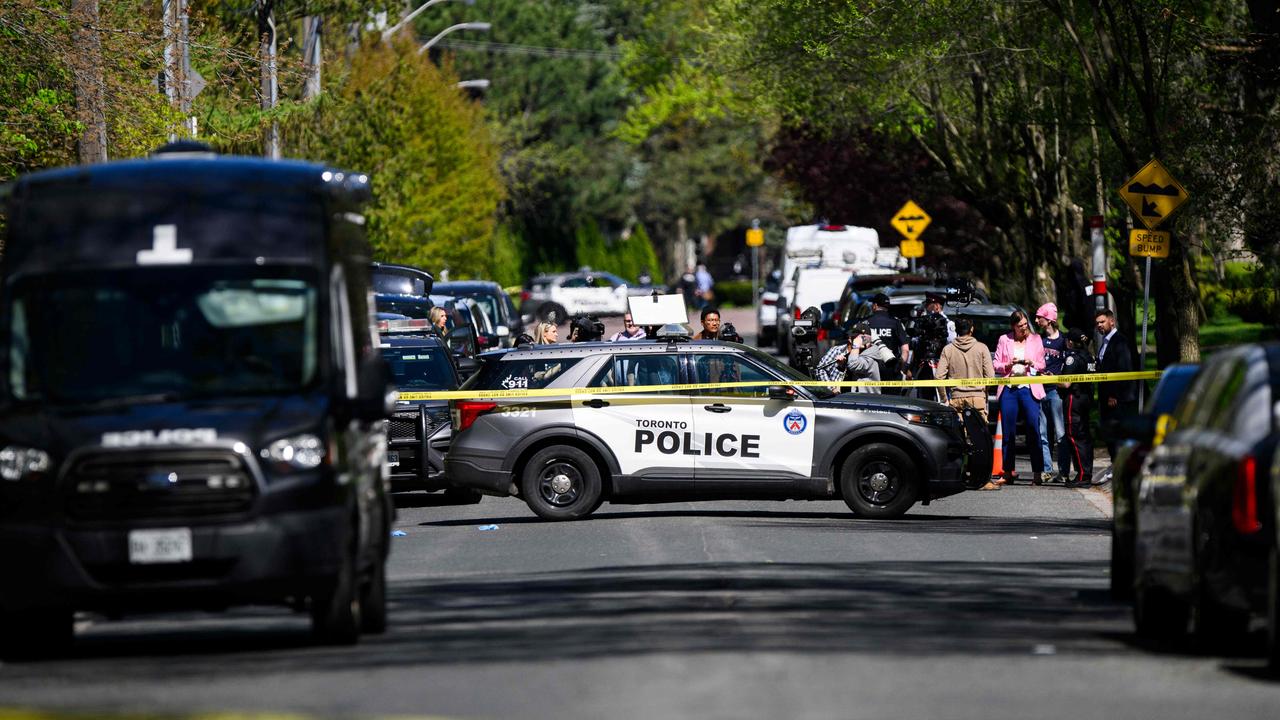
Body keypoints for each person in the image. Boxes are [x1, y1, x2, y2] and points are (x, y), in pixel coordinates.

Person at [936, 318, 997, 490]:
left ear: (956, 331)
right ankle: (982, 479)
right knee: (980, 441)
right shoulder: (982, 348)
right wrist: (983, 389)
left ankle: (960, 475)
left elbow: (939, 377)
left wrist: (944, 398)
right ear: (971, 329)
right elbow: (991, 377)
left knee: (959, 439)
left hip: (956, 398)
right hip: (977, 398)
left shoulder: (948, 350)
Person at [992, 310, 1046, 485]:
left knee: (1033, 429)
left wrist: (1032, 363)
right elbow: (996, 364)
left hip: (1029, 388)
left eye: (1025, 324)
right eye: (1020, 325)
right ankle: (1007, 471)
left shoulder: (1036, 339)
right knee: (1008, 432)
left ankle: (1037, 472)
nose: (1024, 328)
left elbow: (1042, 364)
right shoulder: (1004, 339)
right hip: (1009, 388)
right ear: (1013, 327)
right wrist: (1008, 364)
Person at [1094, 308, 1137, 460]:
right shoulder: (1105, 342)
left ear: (1112, 321)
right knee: (1110, 434)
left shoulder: (1119, 341)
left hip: (1117, 399)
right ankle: (1115, 464)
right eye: (1097, 323)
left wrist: (1114, 394)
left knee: (1117, 435)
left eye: (1102, 322)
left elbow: (1123, 368)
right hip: (1107, 397)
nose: (1099, 325)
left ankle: (1119, 465)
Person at [1057, 327, 1095, 488]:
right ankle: (1086, 473)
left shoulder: (1072, 359)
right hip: (1086, 398)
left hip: (1074, 399)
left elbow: (1066, 383)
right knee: (1084, 437)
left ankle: (1082, 475)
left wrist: (1047, 379)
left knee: (1074, 436)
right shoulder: (1089, 357)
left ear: (1070, 342)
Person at [1034, 302, 1067, 483]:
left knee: (1061, 434)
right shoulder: (1037, 340)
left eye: (1040, 317)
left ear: (1049, 319)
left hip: (1056, 392)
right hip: (1040, 390)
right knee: (1043, 433)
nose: (1037, 320)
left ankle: (1063, 471)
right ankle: (1047, 470)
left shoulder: (1063, 340)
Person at [815, 323, 884, 394]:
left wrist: (856, 346)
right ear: (850, 339)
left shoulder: (870, 354)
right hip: (838, 398)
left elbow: (854, 364)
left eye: (864, 339)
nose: (862, 341)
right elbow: (820, 369)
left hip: (863, 400)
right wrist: (831, 388)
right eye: (857, 338)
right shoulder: (837, 350)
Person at [865, 293, 910, 390]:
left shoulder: (866, 323)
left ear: (875, 306)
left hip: (871, 369)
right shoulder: (896, 323)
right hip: (892, 369)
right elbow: (905, 349)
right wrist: (901, 367)